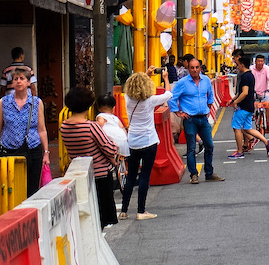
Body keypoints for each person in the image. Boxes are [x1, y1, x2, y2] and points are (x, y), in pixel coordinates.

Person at [59, 87, 119, 228]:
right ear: (88, 105)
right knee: (101, 216)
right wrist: (115, 146)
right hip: (100, 175)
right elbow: (109, 148)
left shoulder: (64, 127)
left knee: (87, 217)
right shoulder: (91, 127)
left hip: (78, 175)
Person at [120, 67, 172, 220]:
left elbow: (137, 85)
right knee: (145, 176)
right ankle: (141, 211)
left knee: (131, 177)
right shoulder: (151, 100)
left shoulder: (127, 99)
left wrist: (146, 74)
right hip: (149, 141)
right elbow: (168, 94)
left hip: (133, 141)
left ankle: (124, 210)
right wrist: (166, 78)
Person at [0, 68, 49, 197]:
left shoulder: (36, 103)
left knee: (32, 188)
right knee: (10, 188)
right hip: (9, 149)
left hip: (32, 148)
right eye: (15, 79)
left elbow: (41, 129)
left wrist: (46, 153)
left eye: (22, 79)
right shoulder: (4, 102)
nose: (18, 82)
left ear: (28, 82)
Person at [169, 57, 225, 183]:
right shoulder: (182, 83)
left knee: (209, 145)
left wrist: (209, 108)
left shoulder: (206, 80)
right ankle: (193, 175)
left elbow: (210, 95)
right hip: (190, 120)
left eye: (197, 67)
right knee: (191, 148)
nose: (194, 70)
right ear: (188, 69)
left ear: (200, 68)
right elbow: (172, 98)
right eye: (192, 68)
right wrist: (179, 113)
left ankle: (209, 173)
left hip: (203, 118)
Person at [229, 56, 269, 158]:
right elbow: (243, 92)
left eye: (238, 65)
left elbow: (244, 93)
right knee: (248, 128)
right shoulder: (251, 75)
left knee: (236, 128)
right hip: (249, 107)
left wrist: (235, 102)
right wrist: (233, 100)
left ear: (242, 64)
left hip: (243, 107)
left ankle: (240, 151)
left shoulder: (245, 77)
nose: (237, 67)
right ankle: (267, 142)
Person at [96, 94, 129, 190]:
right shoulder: (115, 118)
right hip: (122, 140)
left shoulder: (100, 116)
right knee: (121, 156)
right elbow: (122, 127)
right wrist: (125, 137)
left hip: (112, 141)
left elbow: (100, 125)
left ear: (98, 108)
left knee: (108, 152)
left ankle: (113, 163)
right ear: (114, 108)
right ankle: (123, 168)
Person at [250, 53, 269, 133]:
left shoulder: (266, 68)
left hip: (264, 92)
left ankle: (268, 124)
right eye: (258, 61)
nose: (260, 63)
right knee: (251, 105)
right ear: (255, 62)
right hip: (254, 92)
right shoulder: (251, 69)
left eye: (262, 61)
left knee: (268, 106)